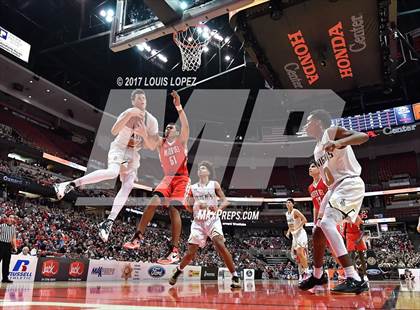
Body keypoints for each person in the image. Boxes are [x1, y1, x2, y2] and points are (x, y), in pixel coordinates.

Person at [53, 89, 159, 242]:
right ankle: (69, 184)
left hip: (134, 154)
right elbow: (114, 130)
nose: (142, 101)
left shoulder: (152, 121)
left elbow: (151, 146)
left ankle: (108, 221)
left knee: (128, 184)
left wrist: (144, 134)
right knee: (113, 172)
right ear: (133, 102)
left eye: (144, 98)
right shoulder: (127, 112)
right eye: (139, 99)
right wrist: (129, 115)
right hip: (120, 148)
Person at [299, 109, 369, 294]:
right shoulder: (316, 150)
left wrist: (338, 142)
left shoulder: (331, 131)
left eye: (308, 122)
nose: (305, 126)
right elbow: (328, 178)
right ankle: (318, 274)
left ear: (319, 123)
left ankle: (353, 277)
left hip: (350, 183)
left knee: (328, 223)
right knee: (317, 231)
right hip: (334, 188)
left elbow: (363, 136)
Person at [124, 90, 190, 265]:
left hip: (182, 178)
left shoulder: (181, 141)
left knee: (174, 209)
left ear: (176, 132)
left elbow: (186, 126)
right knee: (153, 201)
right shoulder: (160, 143)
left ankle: (174, 251)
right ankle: (138, 237)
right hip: (167, 178)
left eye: (171, 127)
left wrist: (178, 106)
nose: (169, 128)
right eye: (167, 127)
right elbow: (147, 137)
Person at [168, 161, 241, 288]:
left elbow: (225, 201)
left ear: (208, 172)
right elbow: (188, 207)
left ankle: (235, 276)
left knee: (220, 244)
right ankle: (178, 270)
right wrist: (196, 205)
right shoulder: (192, 188)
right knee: (191, 252)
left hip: (212, 220)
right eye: (199, 168)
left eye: (203, 168)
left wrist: (219, 209)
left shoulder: (214, 184)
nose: (200, 170)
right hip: (198, 222)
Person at [285, 198, 309, 283]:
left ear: (293, 204)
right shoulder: (286, 214)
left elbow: (305, 220)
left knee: (300, 253)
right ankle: (302, 274)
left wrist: (298, 229)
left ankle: (307, 272)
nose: (287, 204)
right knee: (297, 257)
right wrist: (288, 232)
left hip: (301, 233)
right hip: (294, 236)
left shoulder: (295, 211)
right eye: (286, 202)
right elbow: (290, 225)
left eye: (289, 202)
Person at [343, 215, 368, 281]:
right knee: (351, 256)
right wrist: (345, 240)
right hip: (349, 236)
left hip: (358, 235)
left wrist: (359, 239)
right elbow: (344, 230)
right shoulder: (346, 218)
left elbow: (363, 231)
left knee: (361, 256)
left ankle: (365, 275)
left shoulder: (358, 217)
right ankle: (355, 274)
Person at [0, 215, 17, 283]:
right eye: (10, 217)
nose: (11, 219)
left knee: (6, 263)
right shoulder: (2, 226)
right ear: (7, 218)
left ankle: (5, 278)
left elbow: (13, 238)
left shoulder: (13, 228)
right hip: (1, 244)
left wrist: (15, 246)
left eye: (13, 218)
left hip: (8, 246)